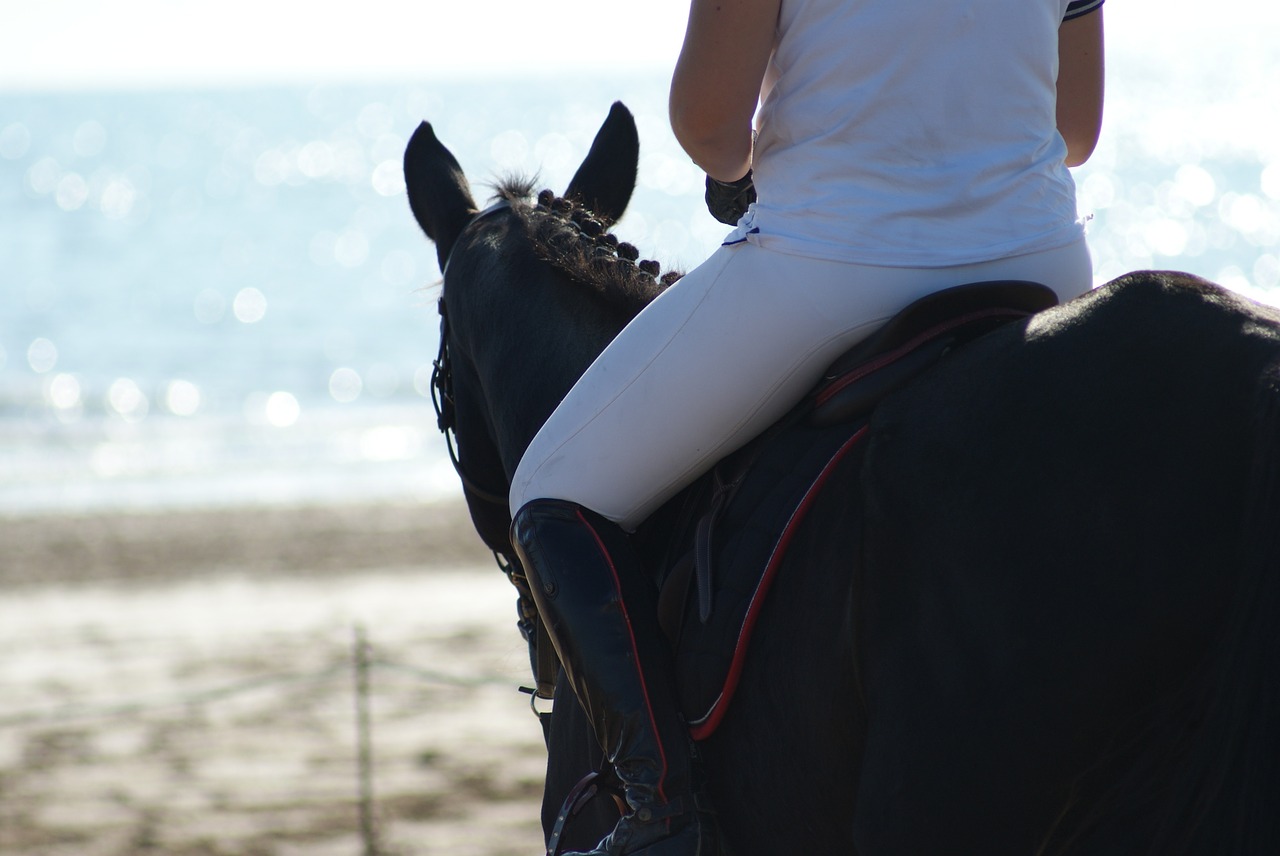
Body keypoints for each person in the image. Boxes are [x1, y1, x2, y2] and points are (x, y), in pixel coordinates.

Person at [510, 0, 1106, 853]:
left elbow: (712, 126)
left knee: (550, 490)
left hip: (832, 267)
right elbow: (1075, 128)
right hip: (1042, 262)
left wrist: (758, 158)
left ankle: (658, 815)